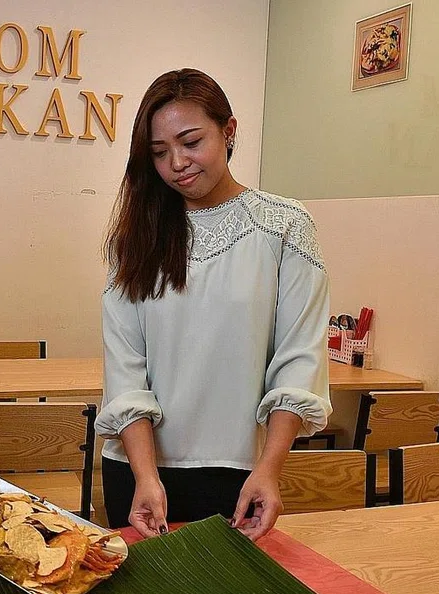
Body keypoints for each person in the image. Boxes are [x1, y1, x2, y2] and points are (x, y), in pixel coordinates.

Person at [97, 68, 331, 542]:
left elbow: (298, 358)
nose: (177, 163)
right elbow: (125, 367)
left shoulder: (284, 225)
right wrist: (145, 475)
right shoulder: (138, 236)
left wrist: (270, 469)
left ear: (229, 131)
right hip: (141, 473)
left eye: (191, 142)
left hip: (239, 472)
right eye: (159, 153)